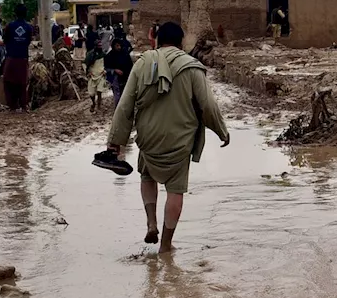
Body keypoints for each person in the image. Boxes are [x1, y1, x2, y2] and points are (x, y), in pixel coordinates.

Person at [100, 22, 229, 252]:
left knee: (147, 176)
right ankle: (166, 245)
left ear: (157, 40)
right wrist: (221, 131)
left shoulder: (142, 64)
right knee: (175, 190)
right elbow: (208, 106)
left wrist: (115, 144)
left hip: (148, 138)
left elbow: (125, 106)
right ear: (181, 43)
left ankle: (151, 223)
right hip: (180, 141)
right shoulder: (192, 68)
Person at [3, 3, 35, 113]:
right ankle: (24, 106)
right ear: (26, 14)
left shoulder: (9, 26)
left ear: (15, 13)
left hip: (11, 57)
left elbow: (5, 40)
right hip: (23, 58)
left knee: (9, 82)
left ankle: (12, 106)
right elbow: (28, 41)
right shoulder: (29, 27)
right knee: (22, 83)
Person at [103, 32, 133, 105]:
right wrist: (115, 70)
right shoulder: (109, 56)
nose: (119, 47)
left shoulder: (125, 54)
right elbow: (106, 68)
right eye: (117, 46)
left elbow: (130, 65)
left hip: (126, 77)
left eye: (119, 45)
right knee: (118, 96)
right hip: (115, 79)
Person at [84, 38, 107, 112]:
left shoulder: (103, 54)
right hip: (92, 75)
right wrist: (88, 72)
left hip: (101, 74)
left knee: (99, 91)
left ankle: (99, 106)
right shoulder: (90, 55)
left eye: (101, 45)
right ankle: (93, 103)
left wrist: (105, 71)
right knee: (91, 93)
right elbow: (85, 64)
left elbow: (107, 64)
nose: (100, 47)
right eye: (99, 45)